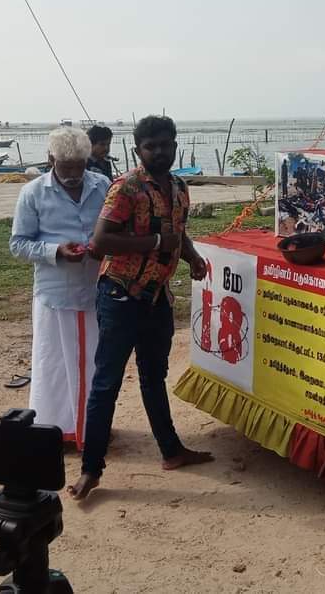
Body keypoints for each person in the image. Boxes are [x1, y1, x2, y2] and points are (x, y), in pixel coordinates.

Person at [68, 115, 212, 500]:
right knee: (106, 383)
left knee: (153, 377)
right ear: (138, 151)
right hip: (120, 296)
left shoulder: (179, 187)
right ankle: (91, 469)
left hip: (157, 297)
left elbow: (177, 231)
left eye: (165, 145)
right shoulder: (126, 187)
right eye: (151, 146)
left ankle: (171, 451)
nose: (159, 152)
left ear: (175, 146)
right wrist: (155, 243)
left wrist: (192, 257)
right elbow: (100, 241)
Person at [10, 127, 109, 449]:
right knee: (52, 366)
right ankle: (54, 430)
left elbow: (115, 228)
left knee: (95, 365)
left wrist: (103, 247)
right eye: (67, 167)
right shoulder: (33, 193)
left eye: (80, 166)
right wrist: (56, 251)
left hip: (95, 291)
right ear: (50, 159)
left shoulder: (102, 186)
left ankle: (92, 430)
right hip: (55, 294)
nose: (74, 175)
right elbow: (18, 244)